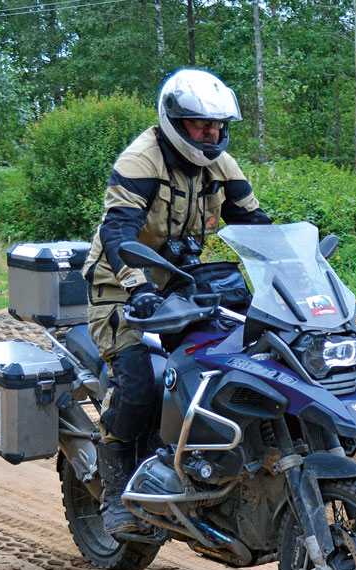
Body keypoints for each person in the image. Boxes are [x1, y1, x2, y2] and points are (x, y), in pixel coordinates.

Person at [82, 68, 272, 535]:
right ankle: (116, 490)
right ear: (173, 121)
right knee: (140, 385)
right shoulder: (142, 159)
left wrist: (292, 274)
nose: (212, 133)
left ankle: (209, 458)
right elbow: (118, 230)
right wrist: (138, 287)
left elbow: (257, 227)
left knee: (237, 359)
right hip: (120, 285)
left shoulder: (221, 165)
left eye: (218, 126)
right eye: (200, 125)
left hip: (178, 284)